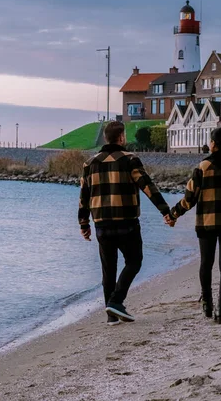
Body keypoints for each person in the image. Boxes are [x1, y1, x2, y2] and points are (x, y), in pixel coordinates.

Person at [78, 121, 173, 325]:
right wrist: (166, 211)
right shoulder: (130, 159)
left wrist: (83, 224)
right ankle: (116, 301)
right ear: (121, 137)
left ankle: (111, 316)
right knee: (134, 261)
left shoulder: (90, 164)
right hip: (127, 223)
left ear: (106, 138)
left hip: (101, 225)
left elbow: (84, 196)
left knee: (108, 270)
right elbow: (147, 186)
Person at [166, 127, 221, 324]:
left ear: (214, 144)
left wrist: (173, 214)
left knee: (206, 264)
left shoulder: (203, 167)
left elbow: (189, 198)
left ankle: (207, 301)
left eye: (210, 141)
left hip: (207, 223)